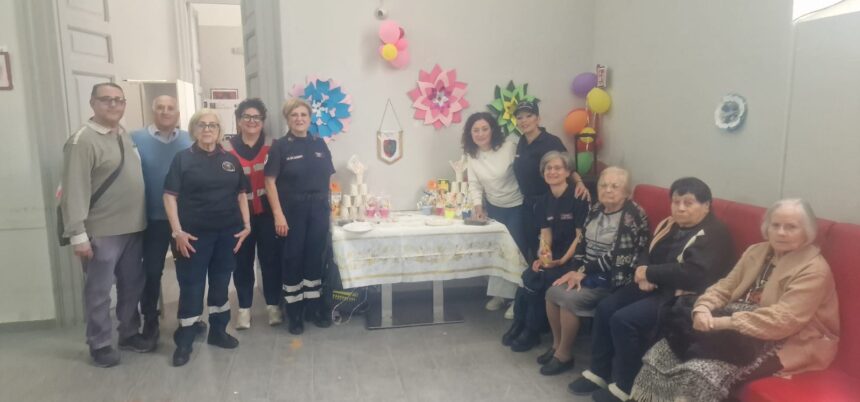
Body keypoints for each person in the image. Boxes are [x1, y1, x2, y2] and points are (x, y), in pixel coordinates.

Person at [632, 199, 840, 402]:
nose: (781, 232)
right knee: (661, 352)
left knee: (699, 372)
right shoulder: (757, 251)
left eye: (791, 227)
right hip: (733, 322)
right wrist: (702, 308)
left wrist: (719, 323)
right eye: (775, 225)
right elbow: (725, 286)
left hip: (784, 338)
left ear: (807, 231)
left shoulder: (814, 270)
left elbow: (783, 320)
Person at [568, 177, 734, 402]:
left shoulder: (715, 234)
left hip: (682, 296)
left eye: (688, 203)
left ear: (706, 205)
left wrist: (651, 273)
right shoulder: (670, 224)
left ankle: (627, 385)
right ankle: (599, 371)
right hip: (656, 285)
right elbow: (648, 249)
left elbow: (694, 273)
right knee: (606, 306)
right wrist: (643, 270)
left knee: (624, 320)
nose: (680, 208)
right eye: (676, 202)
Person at [59, 82, 150, 367]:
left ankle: (129, 333)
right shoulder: (82, 141)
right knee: (98, 292)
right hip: (101, 231)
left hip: (133, 227)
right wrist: (78, 235)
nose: (113, 105)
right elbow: (73, 190)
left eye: (118, 100)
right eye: (106, 100)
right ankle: (99, 343)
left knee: (132, 285)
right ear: (93, 103)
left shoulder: (123, 134)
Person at [540, 167, 650, 376]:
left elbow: (618, 256)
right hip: (588, 271)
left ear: (627, 192)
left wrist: (583, 271)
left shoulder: (632, 215)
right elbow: (581, 242)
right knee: (552, 292)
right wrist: (575, 269)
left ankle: (564, 355)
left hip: (615, 277)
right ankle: (556, 345)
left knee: (569, 298)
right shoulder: (597, 209)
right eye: (603, 185)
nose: (608, 190)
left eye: (615, 186)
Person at [163, 109, 251, 367]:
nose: (208, 129)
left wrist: (247, 225)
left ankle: (218, 331)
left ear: (219, 130)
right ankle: (185, 340)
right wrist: (177, 231)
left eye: (212, 125)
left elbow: (241, 194)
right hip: (192, 237)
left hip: (227, 234)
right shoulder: (183, 159)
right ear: (194, 129)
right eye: (202, 125)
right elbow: (169, 196)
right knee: (192, 287)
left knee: (221, 284)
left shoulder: (230, 160)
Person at [511, 100, 589, 321]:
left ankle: (543, 309)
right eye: (520, 117)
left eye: (528, 116)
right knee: (534, 251)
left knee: (549, 252)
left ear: (538, 118)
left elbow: (567, 166)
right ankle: (534, 304)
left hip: (549, 202)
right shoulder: (521, 142)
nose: (524, 121)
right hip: (528, 204)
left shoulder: (551, 141)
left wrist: (580, 183)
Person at [505, 151, 589, 352]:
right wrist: (543, 256)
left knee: (541, 278)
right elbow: (545, 234)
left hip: (574, 258)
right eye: (548, 168)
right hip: (554, 256)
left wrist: (561, 261)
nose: (552, 172)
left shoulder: (578, 197)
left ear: (567, 172)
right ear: (543, 173)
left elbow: (580, 237)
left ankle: (533, 330)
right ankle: (520, 322)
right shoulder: (542, 201)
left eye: (558, 168)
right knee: (529, 273)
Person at [264, 98, 335, 335]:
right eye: (294, 115)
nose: (299, 119)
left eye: (303, 114)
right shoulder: (280, 146)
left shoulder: (319, 144)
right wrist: (278, 215)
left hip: (318, 211)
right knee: (292, 259)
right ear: (287, 118)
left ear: (310, 118)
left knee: (315, 258)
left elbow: (328, 179)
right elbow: (269, 182)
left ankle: (313, 307)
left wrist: (331, 208)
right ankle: (294, 313)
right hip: (291, 212)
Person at [130, 95, 194, 344]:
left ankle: (189, 318)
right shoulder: (134, 139)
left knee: (188, 272)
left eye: (170, 108)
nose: (165, 112)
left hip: (185, 220)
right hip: (152, 219)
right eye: (160, 108)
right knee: (151, 272)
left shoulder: (190, 138)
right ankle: (150, 320)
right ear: (152, 110)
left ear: (178, 112)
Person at [222, 98, 283, 329]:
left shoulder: (273, 145)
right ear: (239, 121)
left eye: (256, 117)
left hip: (266, 214)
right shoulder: (225, 148)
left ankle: (273, 306)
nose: (252, 121)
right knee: (242, 263)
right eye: (246, 117)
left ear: (263, 121)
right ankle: (244, 309)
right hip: (239, 216)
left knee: (270, 261)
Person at [462, 112, 527, 313]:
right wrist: (478, 208)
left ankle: (519, 299)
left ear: (493, 130)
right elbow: (474, 185)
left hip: (517, 206)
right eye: (475, 130)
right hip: (494, 207)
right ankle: (500, 294)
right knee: (498, 253)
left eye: (484, 129)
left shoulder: (509, 147)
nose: (480, 134)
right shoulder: (472, 155)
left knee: (516, 253)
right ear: (470, 133)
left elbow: (524, 173)